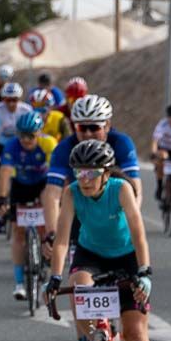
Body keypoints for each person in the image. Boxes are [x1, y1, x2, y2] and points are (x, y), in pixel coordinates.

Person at [45, 140, 162, 341]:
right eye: (78, 173)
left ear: (106, 173)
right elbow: (61, 240)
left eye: (91, 174)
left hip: (127, 256)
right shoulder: (71, 194)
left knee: (136, 333)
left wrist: (145, 272)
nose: (84, 180)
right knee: (79, 289)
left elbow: (138, 231)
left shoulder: (120, 188)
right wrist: (55, 277)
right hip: (91, 255)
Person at [45, 95, 141, 249]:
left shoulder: (122, 143)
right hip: (80, 210)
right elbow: (52, 193)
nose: (88, 133)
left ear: (107, 125)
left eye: (94, 127)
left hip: (114, 212)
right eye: (82, 128)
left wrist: (130, 222)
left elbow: (135, 188)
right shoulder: (64, 148)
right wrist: (52, 233)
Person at [0, 111, 57, 300]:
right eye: (22, 135)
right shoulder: (11, 146)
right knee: (18, 232)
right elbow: (5, 173)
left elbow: (56, 174)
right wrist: (2, 198)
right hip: (21, 186)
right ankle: (19, 283)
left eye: (31, 135)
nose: (26, 140)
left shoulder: (48, 143)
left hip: (42, 184)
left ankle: (47, 253)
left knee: (47, 220)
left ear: (39, 133)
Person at [0, 82, 33, 167]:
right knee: (0, 168)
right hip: (2, 143)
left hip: (21, 142)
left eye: (14, 100)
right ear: (3, 99)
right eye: (8, 100)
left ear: (20, 98)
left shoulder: (27, 110)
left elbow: (32, 132)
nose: (11, 103)